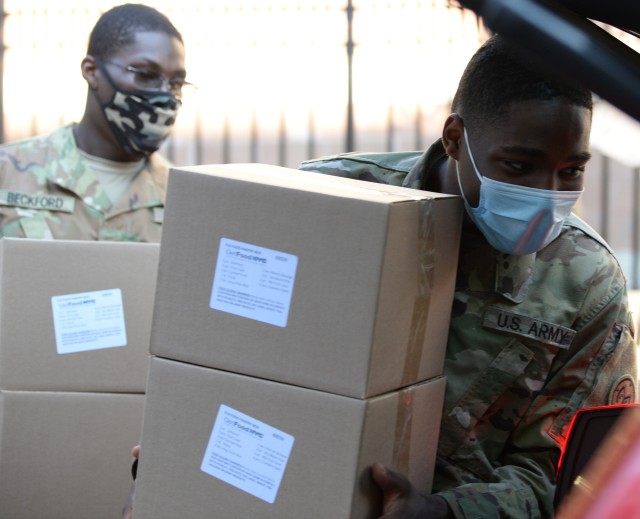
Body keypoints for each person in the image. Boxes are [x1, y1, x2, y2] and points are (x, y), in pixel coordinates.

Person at [299, 34, 638, 518]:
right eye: (520, 166)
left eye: (571, 171)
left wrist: (445, 512)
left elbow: (573, 473)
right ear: (455, 138)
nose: (547, 194)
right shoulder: (329, 200)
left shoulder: (586, 282)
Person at [0, 3, 192, 242]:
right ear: (92, 71)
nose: (164, 94)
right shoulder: (8, 173)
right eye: (144, 75)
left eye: (176, 83)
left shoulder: (184, 199)